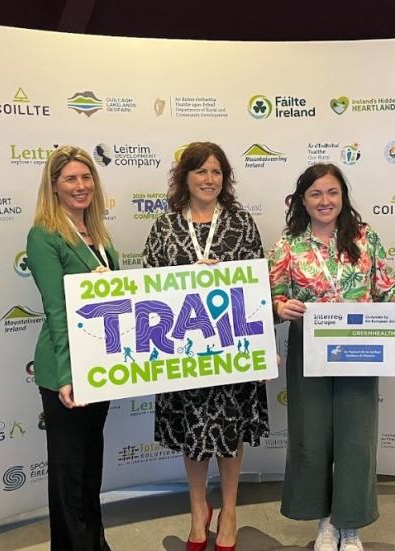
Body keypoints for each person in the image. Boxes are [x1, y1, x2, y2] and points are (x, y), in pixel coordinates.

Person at [267, 163, 395, 551]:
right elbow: (272, 294)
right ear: (302, 199)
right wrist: (279, 307)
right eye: (316, 193)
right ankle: (325, 521)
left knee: (356, 438)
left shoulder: (364, 237)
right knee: (313, 435)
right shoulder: (289, 243)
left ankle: (350, 524)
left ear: (343, 196)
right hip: (310, 351)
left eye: (332, 192)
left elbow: (388, 284)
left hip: (361, 349)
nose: (325, 201)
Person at [142, 142, 269, 551]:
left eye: (216, 172)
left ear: (224, 178)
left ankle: (229, 511)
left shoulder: (241, 224)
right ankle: (199, 509)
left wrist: (225, 278)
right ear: (184, 178)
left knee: (229, 432)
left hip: (229, 351)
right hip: (183, 353)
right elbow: (147, 287)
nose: (209, 179)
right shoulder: (164, 228)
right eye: (200, 172)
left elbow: (258, 287)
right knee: (191, 433)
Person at [27, 145, 119, 551]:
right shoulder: (45, 234)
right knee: (68, 471)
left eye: (86, 178)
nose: (81, 186)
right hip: (66, 371)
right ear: (54, 186)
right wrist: (67, 375)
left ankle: (94, 544)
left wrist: (192, 277)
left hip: (98, 365)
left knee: (89, 466)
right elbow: (56, 308)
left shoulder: (96, 232)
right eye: (71, 179)